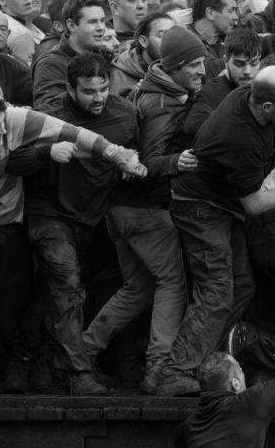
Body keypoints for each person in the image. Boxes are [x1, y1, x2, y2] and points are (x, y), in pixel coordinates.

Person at [0, 90, 145, 396]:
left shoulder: (13, 120)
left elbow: (73, 133)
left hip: (14, 223)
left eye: (3, 123)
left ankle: (21, 368)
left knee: (22, 295)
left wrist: (116, 154)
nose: (3, 131)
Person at [157, 67, 275, 395]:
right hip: (199, 209)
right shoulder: (239, 136)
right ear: (268, 108)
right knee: (216, 290)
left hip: (222, 207)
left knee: (241, 284)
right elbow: (255, 204)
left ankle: (203, 363)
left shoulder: (253, 93)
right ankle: (175, 372)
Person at [83, 27, 200, 391]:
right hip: (142, 208)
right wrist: (177, 163)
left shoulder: (160, 91)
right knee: (172, 283)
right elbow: (148, 163)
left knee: (140, 287)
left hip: (119, 208)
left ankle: (80, 353)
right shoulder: (162, 105)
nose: (201, 71)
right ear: (176, 66)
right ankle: (159, 369)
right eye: (195, 65)